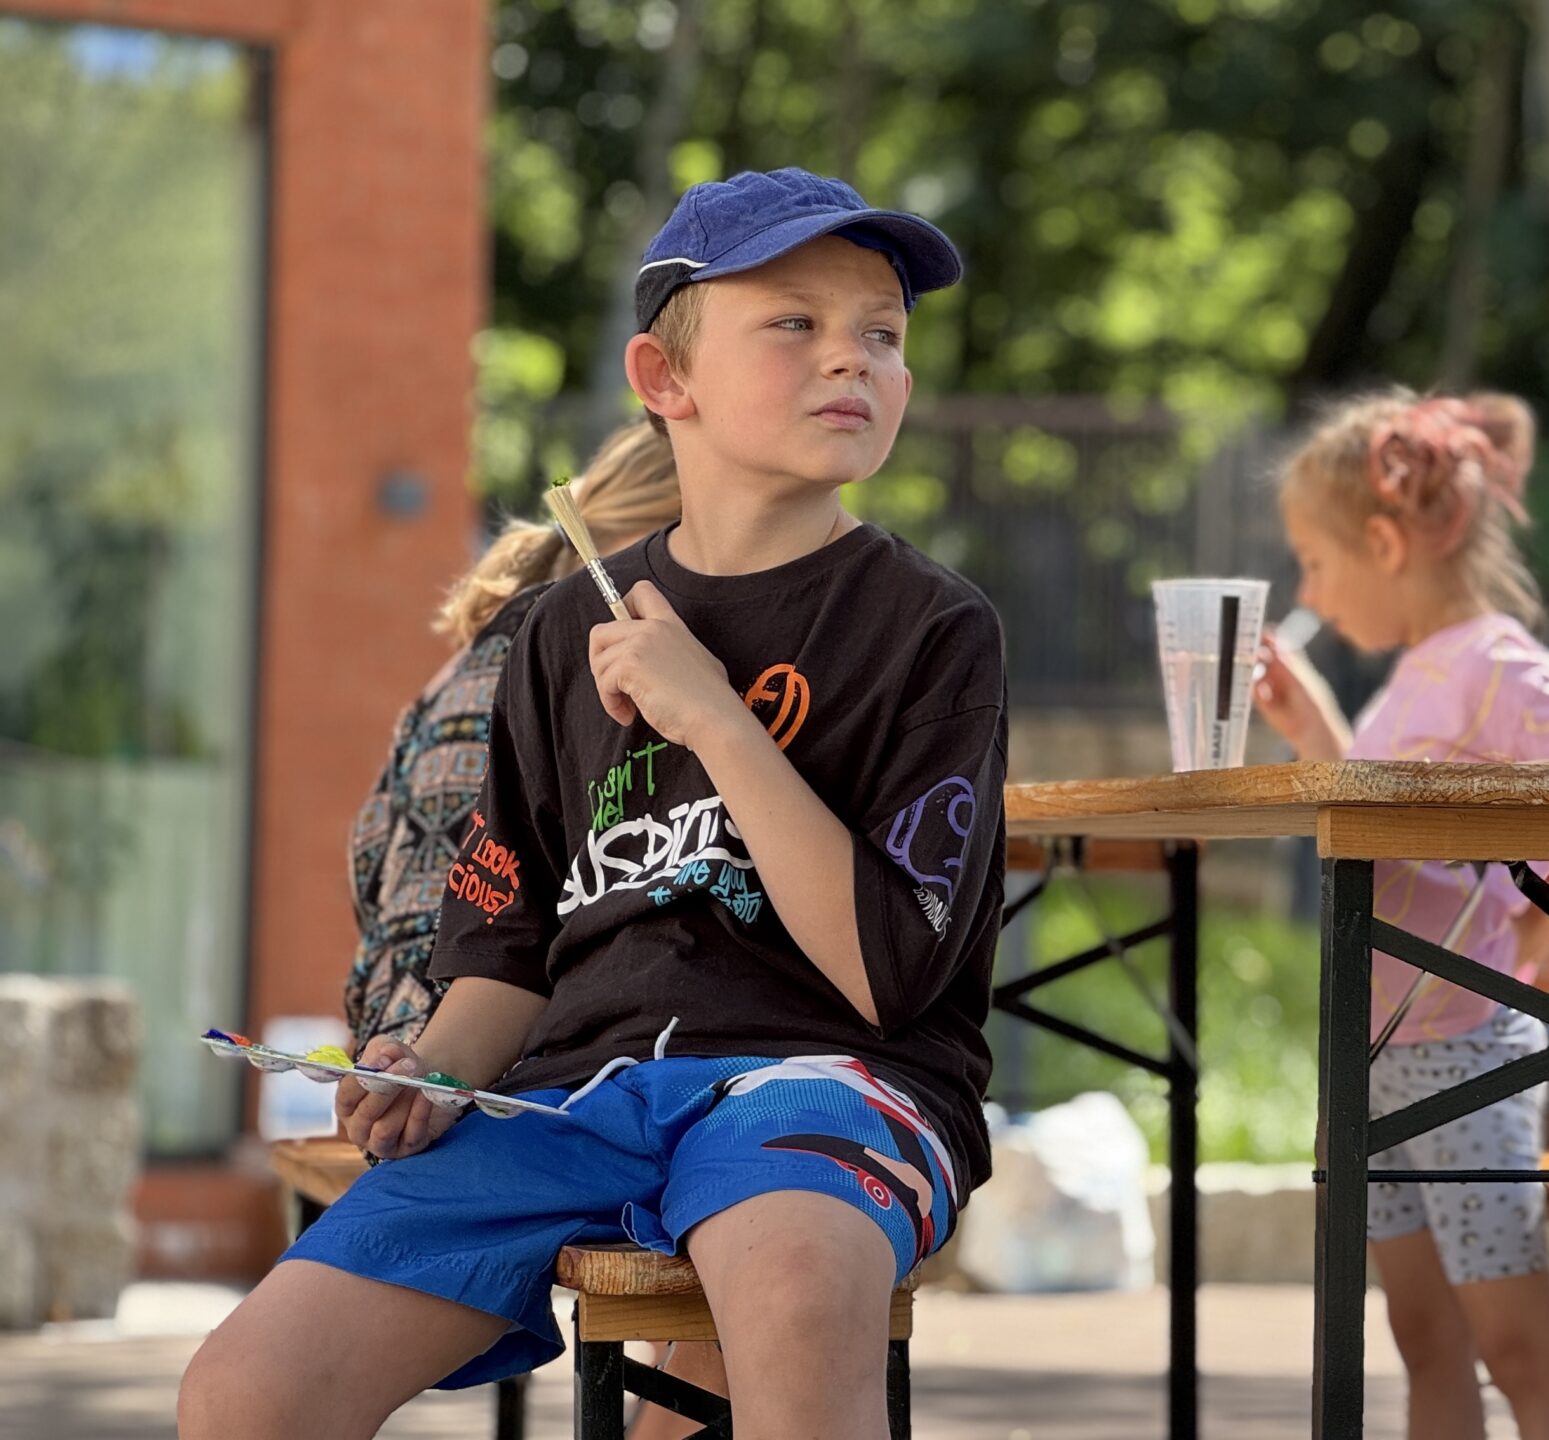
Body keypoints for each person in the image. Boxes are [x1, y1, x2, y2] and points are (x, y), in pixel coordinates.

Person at [179, 167, 1007, 1440]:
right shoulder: (563, 630)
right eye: (795, 323)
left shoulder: (933, 627)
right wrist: (433, 1071)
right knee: (245, 1390)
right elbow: (505, 946)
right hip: (573, 1096)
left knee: (792, 1292)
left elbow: (887, 975)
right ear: (665, 379)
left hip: (833, 1081)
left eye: (882, 334)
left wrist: (715, 719)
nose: (853, 357)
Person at [1255, 389, 1549, 1440]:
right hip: (1369, 1048)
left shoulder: (1493, 665)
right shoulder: (1416, 676)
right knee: (1424, 1340)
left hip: (1463, 1052)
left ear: (1384, 544)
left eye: (1314, 562)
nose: (1307, 591)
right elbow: (1383, 832)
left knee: (1516, 1344)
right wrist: (1315, 729)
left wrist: (1532, 907)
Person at [345, 421, 679, 1056]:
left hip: (394, 1048)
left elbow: (371, 865)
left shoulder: (465, 663)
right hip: (480, 1056)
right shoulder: (577, 644)